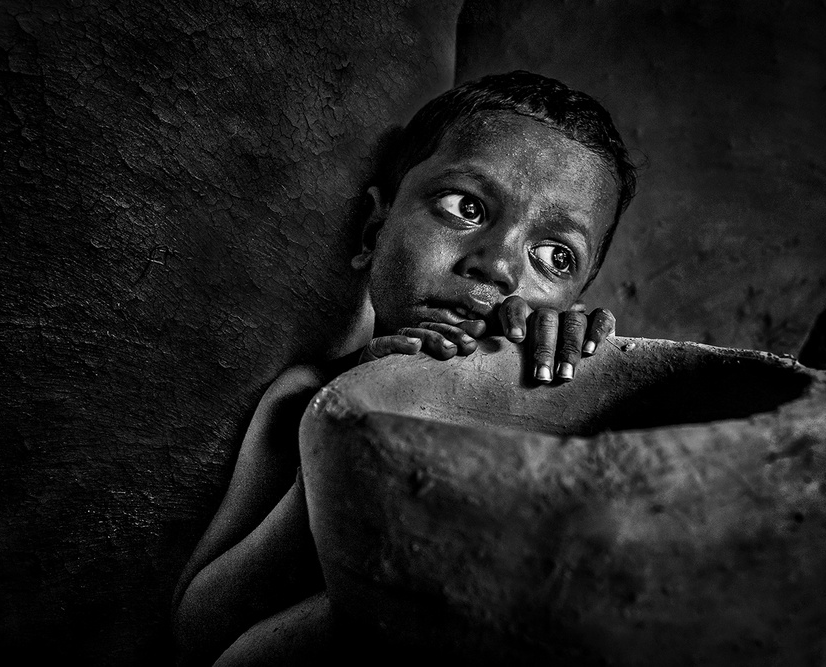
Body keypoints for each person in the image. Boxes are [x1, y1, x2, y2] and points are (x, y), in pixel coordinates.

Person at [171, 70, 638, 666]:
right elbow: (197, 635)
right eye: (467, 207)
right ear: (375, 229)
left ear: (570, 305)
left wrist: (584, 380)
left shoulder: (564, 412)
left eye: (554, 256)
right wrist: (340, 442)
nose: (497, 266)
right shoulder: (305, 395)